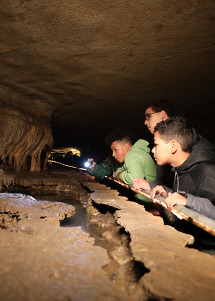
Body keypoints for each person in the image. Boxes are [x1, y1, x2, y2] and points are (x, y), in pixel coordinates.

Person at [150, 116, 215, 220]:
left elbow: (190, 200)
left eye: (156, 144)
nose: (153, 150)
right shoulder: (179, 169)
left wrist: (187, 201)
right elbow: (186, 192)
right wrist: (167, 193)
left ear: (173, 146)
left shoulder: (208, 171)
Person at [104, 127, 156, 209]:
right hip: (151, 201)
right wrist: (119, 173)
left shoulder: (132, 156)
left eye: (115, 150)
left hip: (153, 204)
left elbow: (134, 179)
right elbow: (122, 168)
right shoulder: (135, 154)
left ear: (126, 147)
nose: (113, 154)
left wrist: (120, 175)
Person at [133, 100, 174, 191]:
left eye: (148, 116)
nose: (145, 122)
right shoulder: (162, 146)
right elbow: (167, 180)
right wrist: (151, 185)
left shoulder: (192, 145)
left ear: (162, 114)